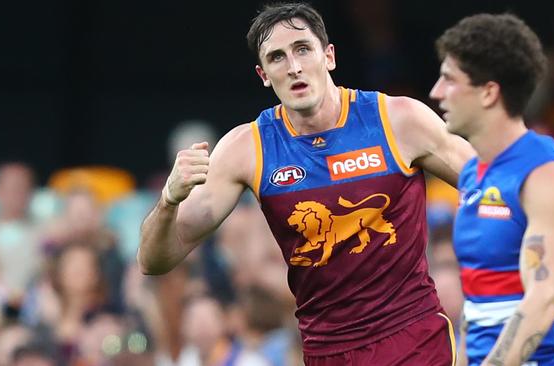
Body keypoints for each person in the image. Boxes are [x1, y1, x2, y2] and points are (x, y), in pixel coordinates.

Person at [139, 2, 474, 365]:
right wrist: (169, 200)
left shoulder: (398, 120)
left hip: (413, 337)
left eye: (302, 49)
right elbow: (154, 260)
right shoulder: (247, 149)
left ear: (328, 56)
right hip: (326, 350)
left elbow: (495, 185)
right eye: (277, 57)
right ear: (263, 74)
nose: (294, 66)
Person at [430, 13, 554, 366]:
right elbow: (474, 306)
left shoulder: (549, 176)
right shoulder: (473, 173)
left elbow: (543, 300)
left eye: (448, 80)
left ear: (489, 92)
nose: (436, 92)